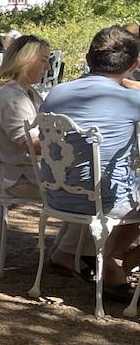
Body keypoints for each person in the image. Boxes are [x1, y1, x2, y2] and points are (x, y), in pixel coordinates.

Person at [38, 25, 140, 298]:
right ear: (135, 64)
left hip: (56, 196)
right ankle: (114, 262)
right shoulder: (132, 100)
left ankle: (105, 261)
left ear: (87, 58)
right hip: (104, 201)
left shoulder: (57, 93)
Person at [0, 35, 52, 201]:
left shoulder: (27, 92)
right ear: (25, 60)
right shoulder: (12, 98)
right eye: (43, 60)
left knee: (89, 188)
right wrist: (72, 142)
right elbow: (32, 145)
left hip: (27, 174)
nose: (48, 67)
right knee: (87, 193)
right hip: (18, 179)